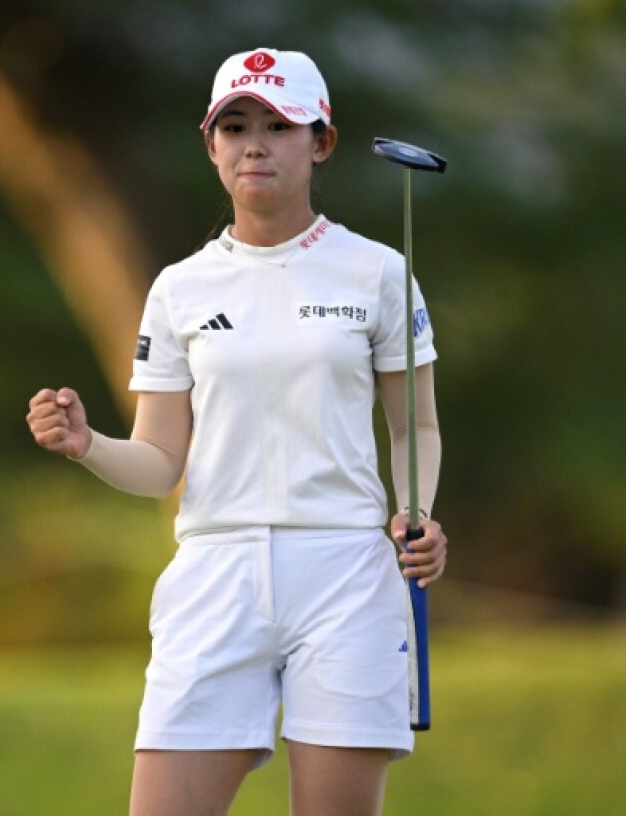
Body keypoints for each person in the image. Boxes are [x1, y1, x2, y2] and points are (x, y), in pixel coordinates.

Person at [26, 47, 448, 816]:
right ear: (212, 144)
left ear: (320, 141)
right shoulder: (179, 288)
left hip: (346, 571)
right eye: (236, 125)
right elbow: (160, 462)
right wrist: (88, 445)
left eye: (278, 125)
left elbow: (413, 425)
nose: (255, 143)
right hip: (216, 573)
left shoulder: (379, 272)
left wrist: (415, 515)